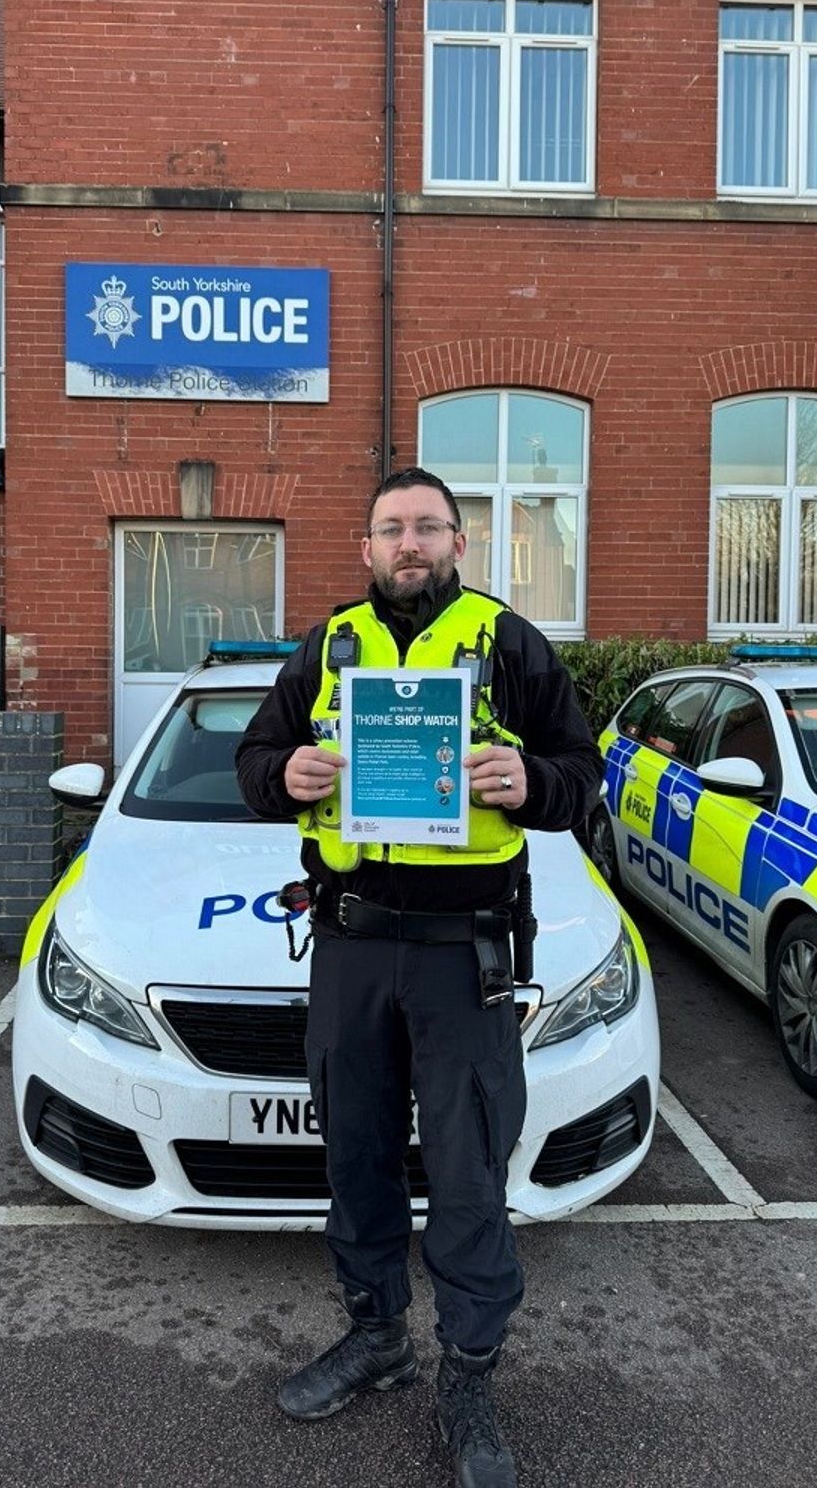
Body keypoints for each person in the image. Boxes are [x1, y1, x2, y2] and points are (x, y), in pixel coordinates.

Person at [235, 467, 603, 1488]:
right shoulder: (324, 647)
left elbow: (584, 775)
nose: (410, 545)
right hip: (351, 948)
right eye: (392, 529)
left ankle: (470, 1373)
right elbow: (257, 759)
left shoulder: (512, 644)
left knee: (468, 1169)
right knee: (355, 1157)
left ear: (459, 541)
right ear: (365, 548)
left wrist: (534, 782)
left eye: (428, 527)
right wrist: (285, 776)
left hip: (462, 957)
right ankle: (378, 1338)